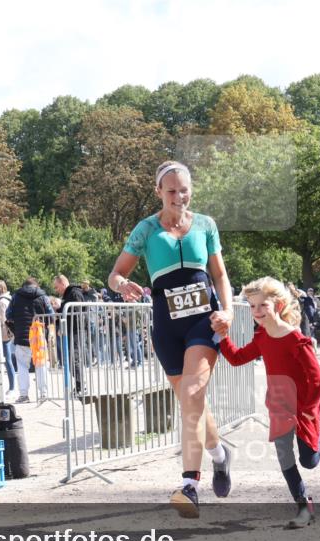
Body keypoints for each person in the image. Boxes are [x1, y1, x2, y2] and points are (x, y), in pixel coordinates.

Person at [108, 161, 234, 517]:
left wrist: (228, 311)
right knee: (192, 403)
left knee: (193, 396)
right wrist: (122, 286)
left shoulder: (206, 225)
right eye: (172, 191)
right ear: (158, 193)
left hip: (202, 322)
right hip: (165, 325)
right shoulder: (146, 230)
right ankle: (220, 456)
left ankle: (190, 485)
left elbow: (220, 274)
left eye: (184, 189)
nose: (179, 196)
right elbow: (115, 275)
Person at [214, 277, 320, 528]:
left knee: (309, 461)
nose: (257, 312)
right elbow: (238, 358)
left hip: (304, 406)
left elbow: (316, 380)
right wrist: (222, 337)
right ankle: (304, 506)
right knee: (285, 458)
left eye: (263, 305)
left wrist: (308, 411)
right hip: (279, 406)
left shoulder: (293, 336)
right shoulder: (262, 336)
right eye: (252, 306)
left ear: (279, 304)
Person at [7, 277, 52, 403]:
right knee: (41, 364)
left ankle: (23, 395)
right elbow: (51, 314)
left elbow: (8, 315)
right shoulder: (43, 296)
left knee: (22, 366)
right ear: (36, 285)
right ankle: (44, 394)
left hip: (21, 335)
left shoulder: (16, 296)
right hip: (39, 335)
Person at [53, 274, 88, 393]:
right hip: (71, 329)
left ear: (63, 283)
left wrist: (62, 314)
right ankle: (79, 385)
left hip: (75, 330)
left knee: (74, 358)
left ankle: (80, 386)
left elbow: (78, 311)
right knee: (71, 358)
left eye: (57, 287)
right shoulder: (69, 294)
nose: (56, 290)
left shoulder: (74, 293)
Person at [0, 279, 16, 395]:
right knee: (8, 360)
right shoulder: (9, 299)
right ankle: (11, 386)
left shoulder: (1, 302)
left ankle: (12, 387)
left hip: (4, 334)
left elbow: (3, 319)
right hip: (9, 333)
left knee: (8, 361)